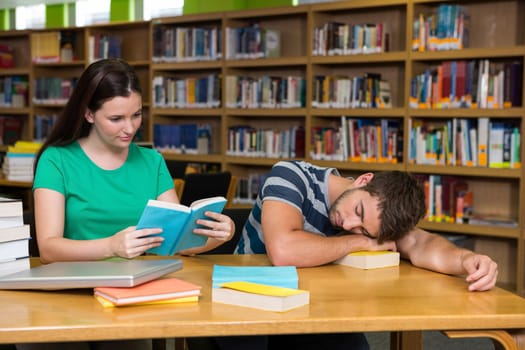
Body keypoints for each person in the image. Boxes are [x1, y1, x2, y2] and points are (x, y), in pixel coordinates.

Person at [24, 58, 235, 350]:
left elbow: (176, 243)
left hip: (128, 292)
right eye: (116, 119)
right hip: (65, 293)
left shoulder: (152, 161)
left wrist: (215, 235)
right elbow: (48, 249)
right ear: (88, 114)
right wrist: (111, 246)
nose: (130, 128)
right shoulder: (57, 160)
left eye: (136, 115)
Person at [203, 160, 498, 350]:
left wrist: (466, 261)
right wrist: (357, 243)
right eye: (357, 212)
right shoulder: (291, 176)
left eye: (364, 231)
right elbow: (283, 250)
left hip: (317, 310)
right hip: (245, 302)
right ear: (362, 180)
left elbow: (421, 245)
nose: (349, 225)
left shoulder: (376, 221)